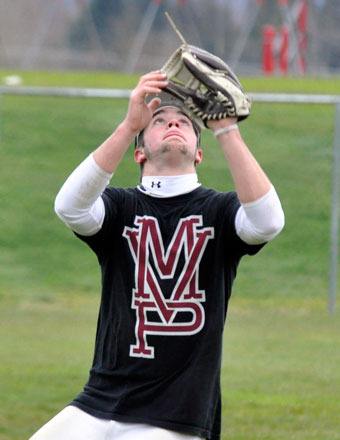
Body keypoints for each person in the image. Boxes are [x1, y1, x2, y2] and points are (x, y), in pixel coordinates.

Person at [29, 71, 284, 440]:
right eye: (160, 120)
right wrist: (129, 123)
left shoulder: (219, 211)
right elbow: (69, 207)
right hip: (100, 401)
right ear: (139, 151)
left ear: (198, 153)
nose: (173, 123)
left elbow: (268, 222)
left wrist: (227, 130)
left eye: (185, 122)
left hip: (176, 413)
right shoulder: (121, 207)